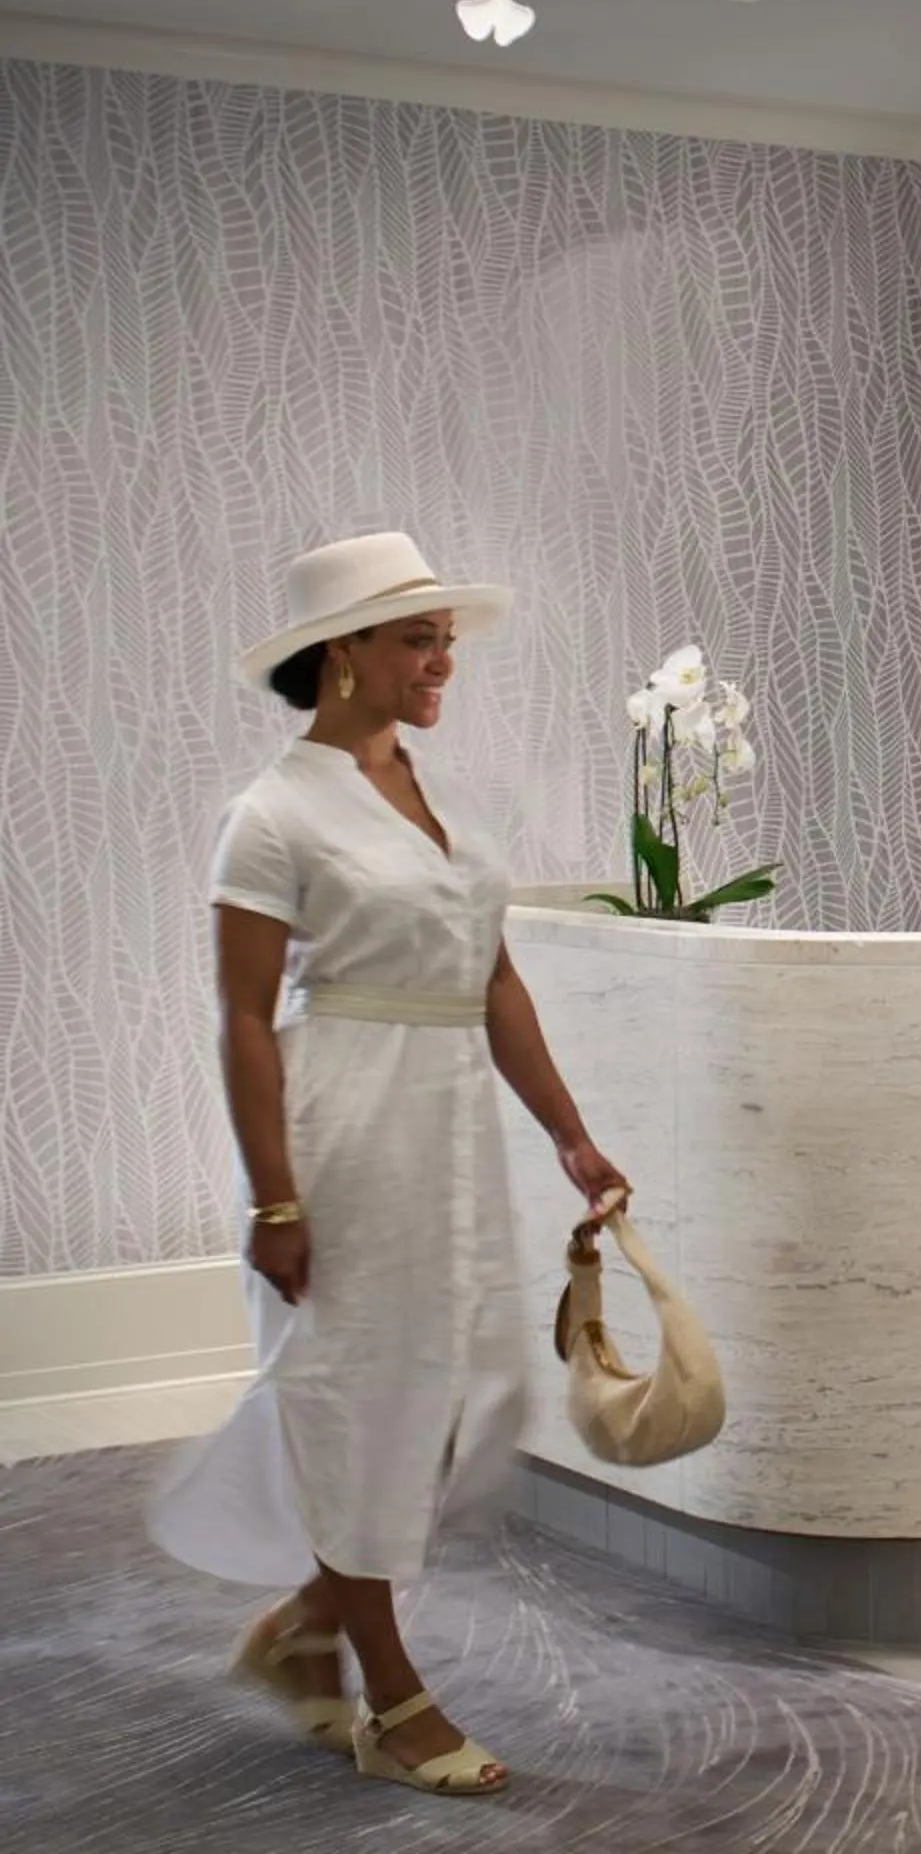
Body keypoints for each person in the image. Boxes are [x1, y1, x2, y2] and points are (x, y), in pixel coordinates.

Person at [148, 529, 627, 1798]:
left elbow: (495, 974)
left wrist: (570, 1133)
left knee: (450, 1400)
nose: (443, 660)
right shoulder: (271, 816)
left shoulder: (437, 800)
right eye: (418, 637)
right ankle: (392, 1694)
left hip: (450, 1124)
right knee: (360, 1407)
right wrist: (274, 1192)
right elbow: (245, 1015)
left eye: (445, 638)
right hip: (345, 1127)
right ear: (341, 654)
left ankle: (302, 1627)